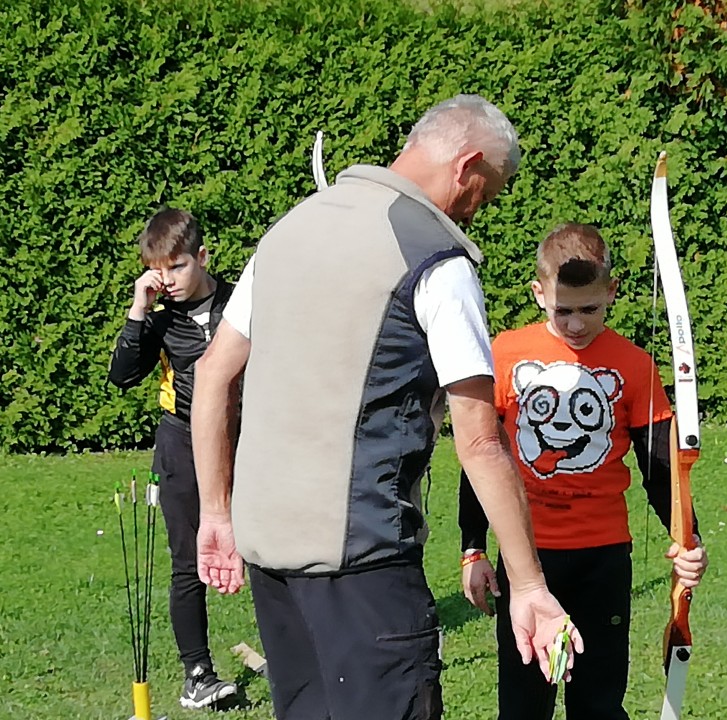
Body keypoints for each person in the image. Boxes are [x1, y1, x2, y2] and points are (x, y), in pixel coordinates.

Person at [189, 94, 582, 720]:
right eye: (492, 190)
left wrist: (215, 512)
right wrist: (530, 585)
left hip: (269, 551)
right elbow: (478, 441)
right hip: (364, 561)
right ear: (468, 166)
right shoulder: (437, 259)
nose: (486, 207)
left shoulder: (291, 229)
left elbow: (212, 373)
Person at [457, 223, 709, 720]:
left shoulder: (633, 365)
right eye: (562, 310)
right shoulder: (504, 355)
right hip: (525, 553)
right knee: (525, 701)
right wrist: (473, 548)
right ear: (539, 294)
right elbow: (480, 455)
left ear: (611, 292)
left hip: (603, 555)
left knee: (598, 698)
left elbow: (660, 466)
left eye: (589, 309)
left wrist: (689, 538)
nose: (575, 325)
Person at [107, 208, 238, 709]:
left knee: (274, 550)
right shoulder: (161, 322)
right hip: (182, 443)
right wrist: (139, 311)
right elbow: (122, 376)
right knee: (190, 561)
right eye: (158, 272)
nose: (169, 281)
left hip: (248, 439)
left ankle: (293, 651)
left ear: (202, 257)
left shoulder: (240, 303)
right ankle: (197, 674)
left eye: (177, 267)